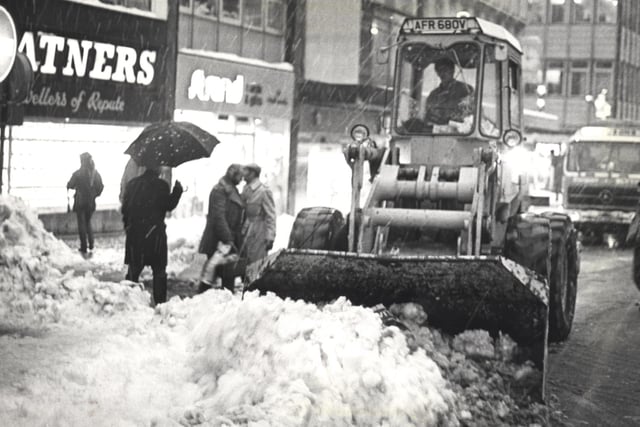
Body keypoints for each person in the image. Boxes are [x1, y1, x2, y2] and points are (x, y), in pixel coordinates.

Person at [121, 166, 183, 305]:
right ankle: (160, 304)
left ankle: (128, 302)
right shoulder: (161, 185)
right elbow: (168, 205)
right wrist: (177, 191)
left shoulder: (132, 184)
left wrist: (129, 228)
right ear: (158, 169)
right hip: (155, 235)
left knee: (134, 270)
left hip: (135, 234)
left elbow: (125, 209)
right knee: (159, 271)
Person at [198, 164, 245, 293]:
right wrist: (228, 238)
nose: (241, 180)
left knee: (227, 273)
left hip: (228, 238)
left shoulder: (231, 190)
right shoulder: (220, 190)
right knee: (211, 271)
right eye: (240, 176)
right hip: (219, 239)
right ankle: (200, 299)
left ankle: (224, 301)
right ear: (233, 174)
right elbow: (218, 217)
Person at [67, 152, 104, 257]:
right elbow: (101, 187)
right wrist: (94, 194)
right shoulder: (95, 173)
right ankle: (91, 244)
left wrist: (71, 186)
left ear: (82, 161)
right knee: (88, 223)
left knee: (82, 224)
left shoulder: (78, 173)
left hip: (80, 202)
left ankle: (84, 247)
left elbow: (70, 184)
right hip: (91, 203)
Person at [241, 163, 277, 264]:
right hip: (246, 231)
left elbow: (271, 215)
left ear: (252, 173)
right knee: (245, 264)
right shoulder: (246, 189)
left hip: (259, 233)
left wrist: (270, 236)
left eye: (246, 171)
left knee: (256, 263)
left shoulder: (264, 191)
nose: (243, 174)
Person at [424, 58, 474, 125]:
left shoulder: (465, 90)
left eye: (445, 70)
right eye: (439, 71)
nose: (442, 73)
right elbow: (427, 116)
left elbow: (470, 115)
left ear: (452, 70)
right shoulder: (433, 95)